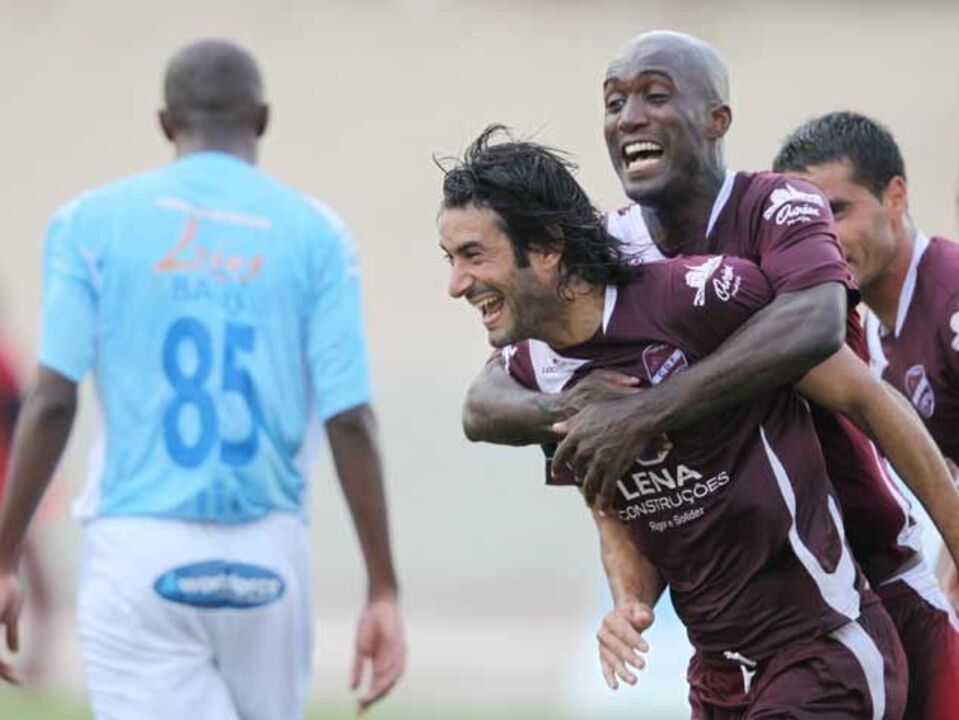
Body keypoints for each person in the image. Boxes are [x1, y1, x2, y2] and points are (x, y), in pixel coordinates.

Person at [460, 31, 959, 717]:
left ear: (716, 119)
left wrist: (645, 411)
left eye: (654, 96)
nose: (629, 117)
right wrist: (574, 415)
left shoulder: (776, 209)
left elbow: (817, 332)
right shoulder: (609, 255)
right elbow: (490, 396)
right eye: (614, 102)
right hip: (738, 628)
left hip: (868, 581)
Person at [0, 39, 405, 719]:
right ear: (262, 119)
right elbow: (350, 419)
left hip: (139, 548)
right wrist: (383, 587)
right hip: (269, 553)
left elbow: (52, 402)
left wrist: (5, 556)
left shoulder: (88, 223)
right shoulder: (319, 234)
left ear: (165, 123)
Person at [773, 110, 959, 712]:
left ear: (895, 197)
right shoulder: (864, 332)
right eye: (805, 220)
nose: (821, 236)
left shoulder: (951, 297)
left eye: (837, 211)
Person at [0, 331, 54, 684]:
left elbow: (19, 414)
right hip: (10, 478)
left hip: (7, 478)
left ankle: (41, 657)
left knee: (26, 564)